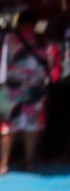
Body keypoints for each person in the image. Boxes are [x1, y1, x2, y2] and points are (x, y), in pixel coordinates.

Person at [0, 24, 50, 177]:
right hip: (35, 87)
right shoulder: (43, 40)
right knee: (32, 125)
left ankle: (3, 164)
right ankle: (28, 162)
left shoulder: (9, 39)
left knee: (8, 125)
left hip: (12, 86)